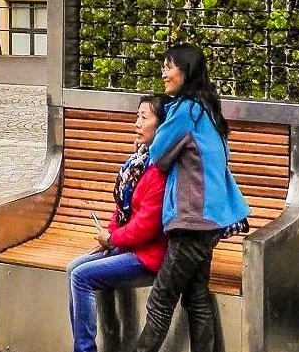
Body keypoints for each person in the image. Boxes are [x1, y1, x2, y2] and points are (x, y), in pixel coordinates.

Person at [133, 42, 250, 352]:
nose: (163, 73)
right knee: (196, 296)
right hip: (210, 220)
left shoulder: (186, 109)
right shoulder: (208, 108)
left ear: (186, 72)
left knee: (160, 300)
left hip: (192, 220)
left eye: (169, 67)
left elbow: (158, 155)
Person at [67, 95, 168, 352]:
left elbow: (148, 226)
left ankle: (84, 349)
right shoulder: (139, 161)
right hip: (130, 246)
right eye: (137, 116)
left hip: (150, 256)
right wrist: (108, 237)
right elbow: (122, 207)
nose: (137, 123)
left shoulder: (159, 168)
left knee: (82, 276)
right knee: (73, 267)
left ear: (162, 125)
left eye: (144, 118)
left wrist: (112, 240)